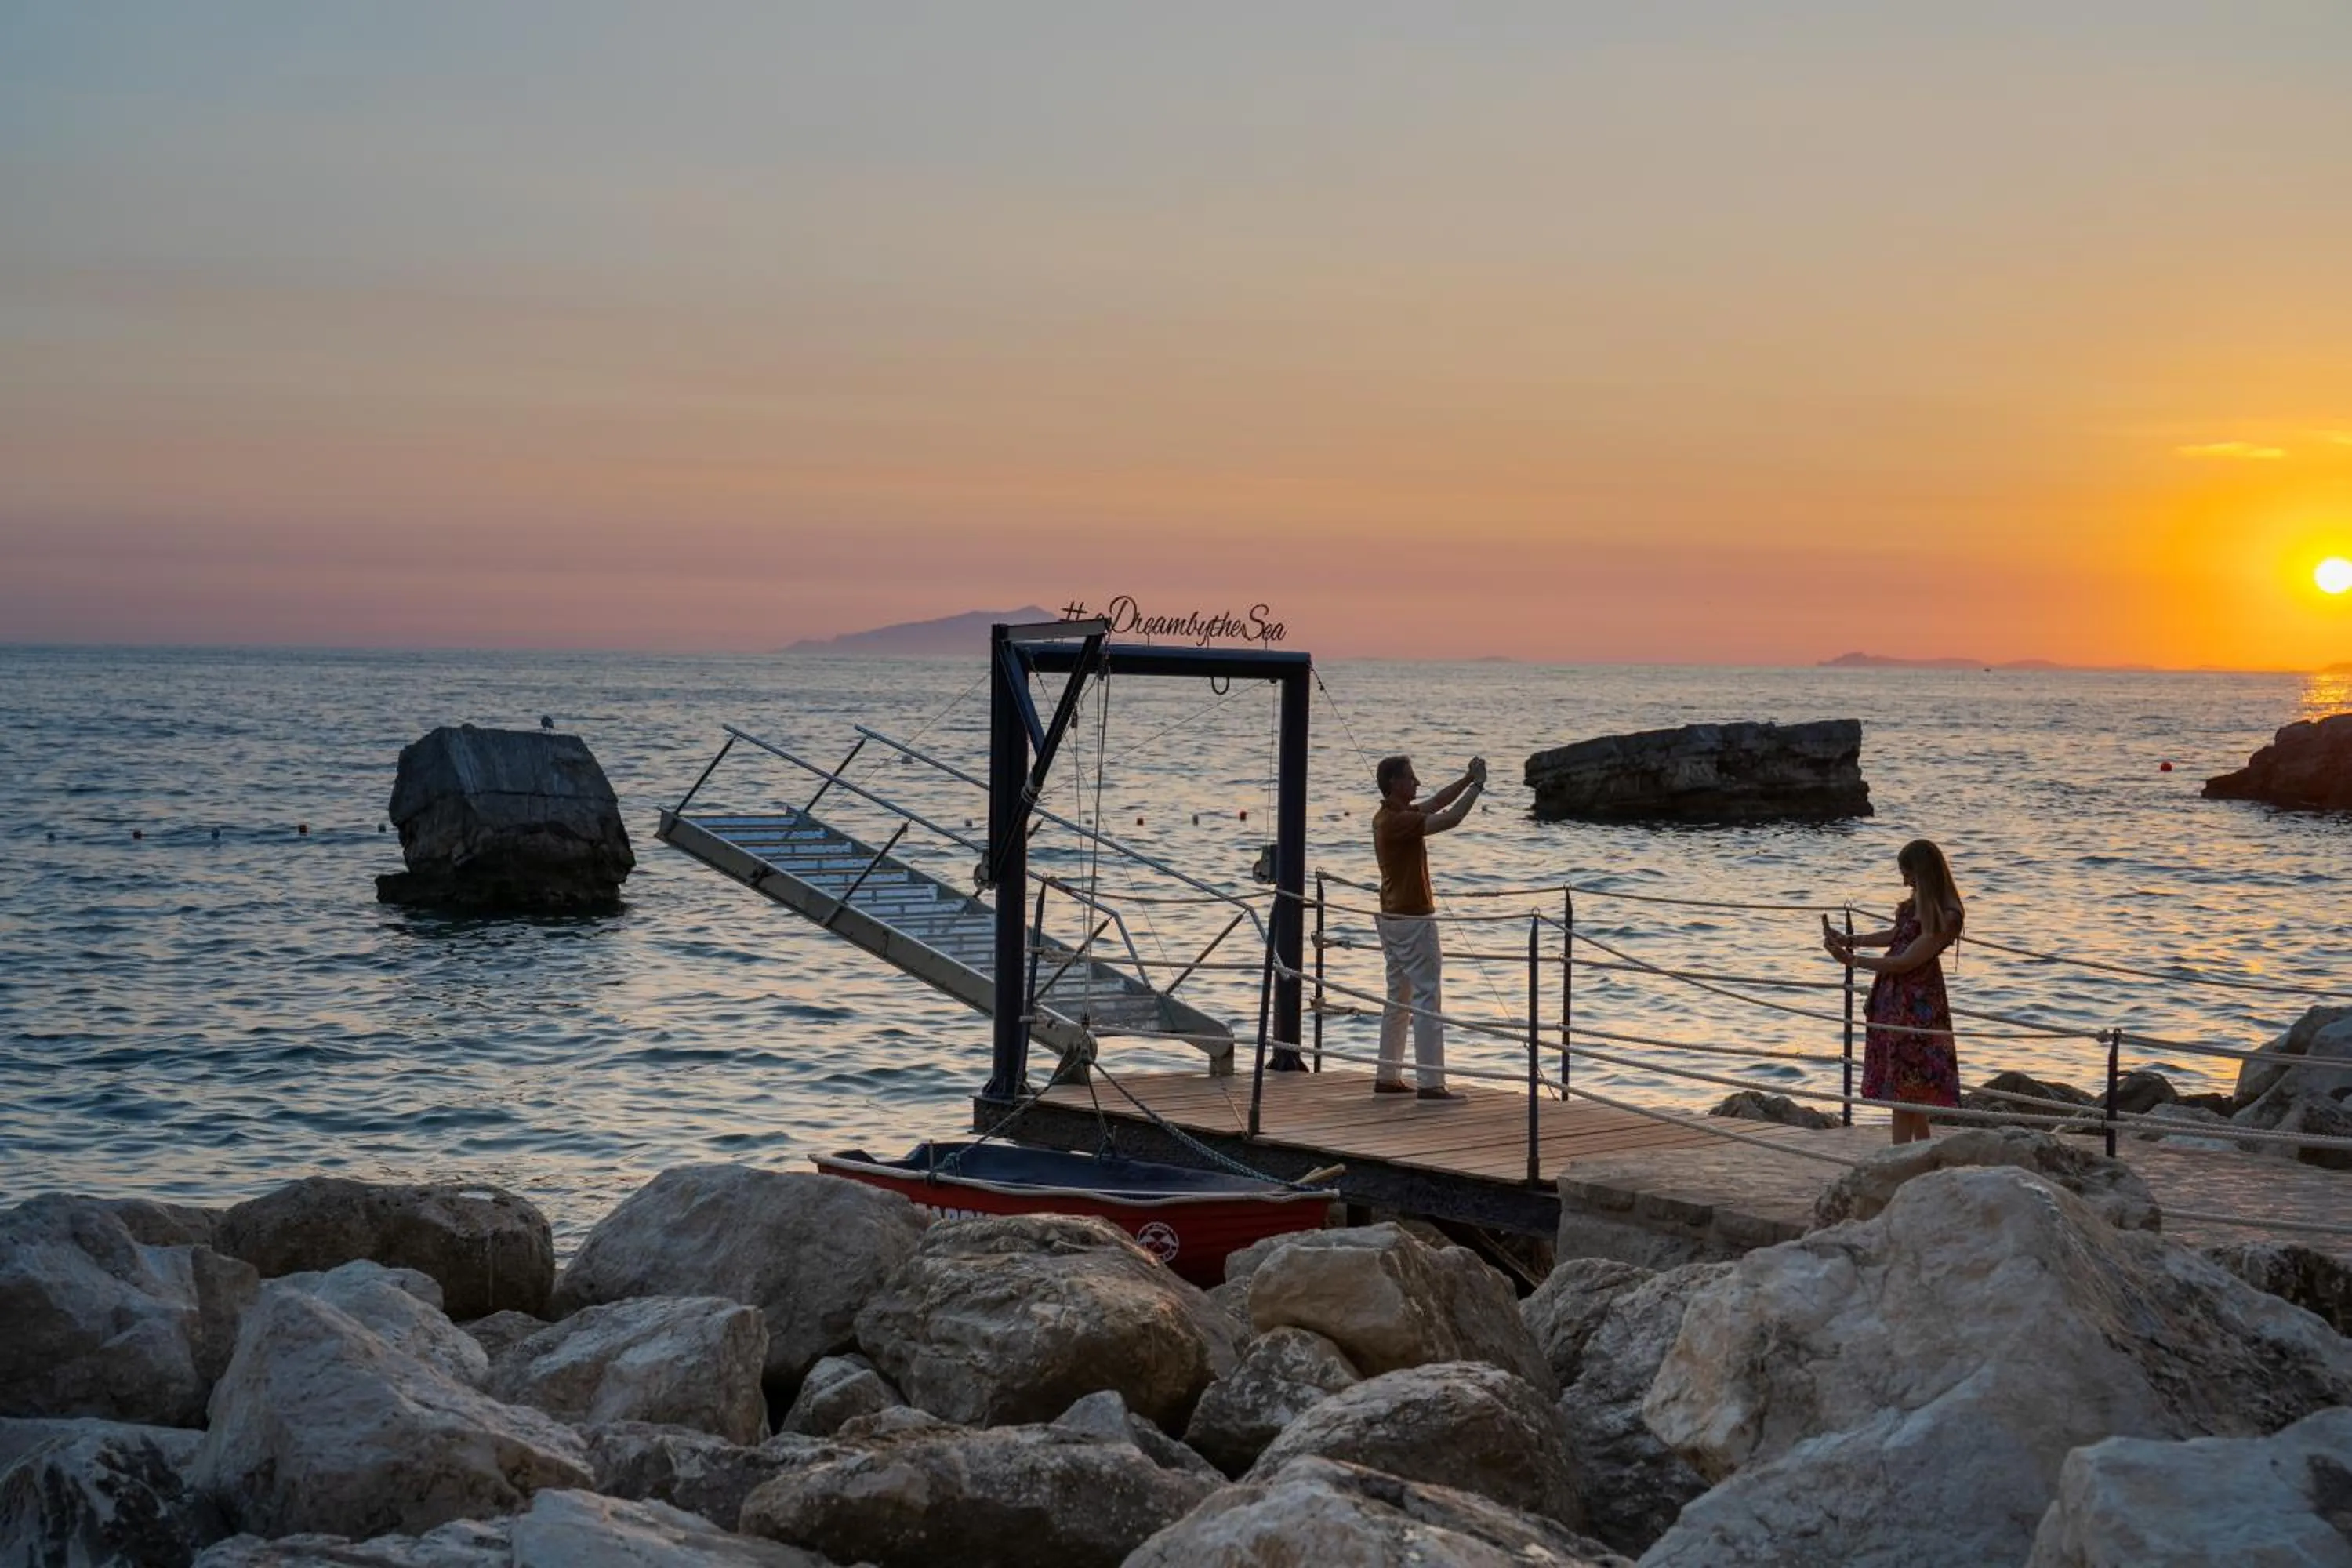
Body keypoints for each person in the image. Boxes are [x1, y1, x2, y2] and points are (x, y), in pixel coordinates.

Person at [1824, 838, 1965, 1143]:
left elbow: (1906, 962)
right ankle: (1924, 1153)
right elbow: (1897, 936)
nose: (1904, 881)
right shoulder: (1918, 902)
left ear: (1923, 872)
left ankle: (1899, 1157)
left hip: (1917, 1007)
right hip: (1894, 1000)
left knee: (1906, 1089)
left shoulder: (1948, 915)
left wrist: (1853, 961)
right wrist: (1853, 940)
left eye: (1908, 874)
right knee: (1906, 1086)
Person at [1371, 753, 1485, 1100]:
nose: (1417, 783)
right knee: (1427, 997)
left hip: (1392, 917)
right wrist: (1478, 786)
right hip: (1414, 921)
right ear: (1395, 783)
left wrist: (1466, 780)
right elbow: (1450, 818)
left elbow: (1437, 802)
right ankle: (1432, 1082)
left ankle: (1388, 1075)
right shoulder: (1398, 822)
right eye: (1411, 778)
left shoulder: (1388, 817)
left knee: (1399, 996)